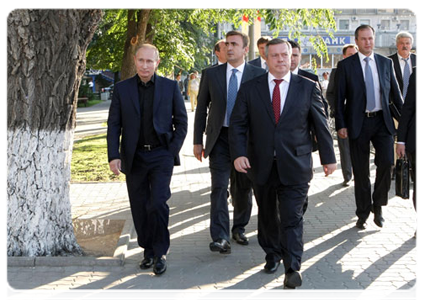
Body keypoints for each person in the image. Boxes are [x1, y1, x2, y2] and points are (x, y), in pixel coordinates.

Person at [229, 38, 336, 292]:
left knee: (292, 217)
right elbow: (238, 124)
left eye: (284, 55)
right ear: (266, 58)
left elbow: (321, 124)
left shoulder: (307, 87)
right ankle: (271, 253)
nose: (280, 60)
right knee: (267, 216)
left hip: (296, 164)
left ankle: (292, 268)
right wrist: (238, 154)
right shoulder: (250, 88)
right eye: (274, 55)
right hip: (261, 164)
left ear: (291, 57)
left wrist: (329, 158)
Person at [107, 44, 188, 275]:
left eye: (149, 61)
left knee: (158, 203)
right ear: (135, 60)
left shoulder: (170, 87)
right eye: (141, 60)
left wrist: (171, 151)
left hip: (161, 155)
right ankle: (148, 251)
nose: (145, 65)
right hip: (134, 157)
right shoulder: (122, 89)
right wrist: (114, 155)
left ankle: (161, 252)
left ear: (157, 63)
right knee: (140, 206)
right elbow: (114, 125)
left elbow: (181, 122)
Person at [194, 31, 265, 254]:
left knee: (242, 187)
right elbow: (201, 109)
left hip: (246, 140)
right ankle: (220, 237)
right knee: (218, 187)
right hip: (220, 139)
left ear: (245, 49)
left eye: (234, 44)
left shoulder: (258, 74)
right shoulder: (211, 74)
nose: (229, 47)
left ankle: (239, 227)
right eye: (226, 44)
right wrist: (197, 140)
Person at [334, 25, 403, 230]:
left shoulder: (385, 63)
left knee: (387, 162)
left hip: (382, 121)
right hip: (358, 123)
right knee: (361, 171)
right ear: (357, 41)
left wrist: (406, 124)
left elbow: (396, 96)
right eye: (363, 39)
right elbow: (339, 99)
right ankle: (363, 213)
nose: (368, 42)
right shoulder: (346, 66)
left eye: (370, 38)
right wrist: (341, 124)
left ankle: (378, 205)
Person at [326, 44, 358, 187]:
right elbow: (330, 93)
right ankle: (347, 175)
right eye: (349, 54)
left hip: (360, 116)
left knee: (359, 147)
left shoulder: (362, 70)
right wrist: (336, 109)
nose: (352, 56)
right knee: (345, 147)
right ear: (344, 56)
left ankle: (360, 174)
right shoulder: (337, 71)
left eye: (354, 54)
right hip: (343, 116)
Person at [396, 66, 420, 239]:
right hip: (418, 141)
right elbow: (408, 108)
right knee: (419, 184)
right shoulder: (418, 73)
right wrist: (401, 140)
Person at [388, 31, 420, 99]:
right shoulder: (388, 61)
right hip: (396, 102)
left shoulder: (419, 60)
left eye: (407, 43)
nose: (405, 46)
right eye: (401, 43)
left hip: (416, 102)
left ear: (411, 45)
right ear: (397, 44)